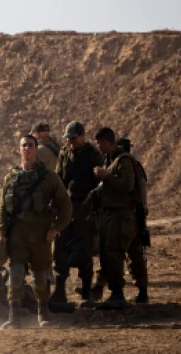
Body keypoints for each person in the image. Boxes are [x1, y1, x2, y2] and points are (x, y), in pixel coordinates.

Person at [0, 135, 72, 329]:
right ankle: (14, 317)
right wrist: (1, 233)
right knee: (16, 274)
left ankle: (43, 313)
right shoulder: (10, 177)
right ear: (18, 150)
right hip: (17, 233)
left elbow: (65, 204)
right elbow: (3, 208)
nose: (27, 149)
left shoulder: (48, 177)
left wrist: (56, 228)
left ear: (36, 150)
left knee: (40, 277)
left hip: (40, 233)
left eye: (30, 145)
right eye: (24, 146)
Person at [52, 121, 103, 307]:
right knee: (60, 247)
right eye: (68, 138)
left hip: (85, 207)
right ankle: (59, 292)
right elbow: (59, 179)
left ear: (82, 135)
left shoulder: (93, 155)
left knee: (84, 249)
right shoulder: (64, 154)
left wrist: (93, 203)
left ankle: (87, 291)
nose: (70, 142)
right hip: (67, 206)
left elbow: (100, 184)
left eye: (73, 138)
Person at [88, 128, 140, 309]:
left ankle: (118, 294)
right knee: (106, 253)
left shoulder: (123, 161)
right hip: (109, 214)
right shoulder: (109, 160)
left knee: (115, 253)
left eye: (100, 143)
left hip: (121, 215)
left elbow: (127, 185)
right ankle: (111, 292)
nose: (98, 146)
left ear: (108, 142)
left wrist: (106, 176)